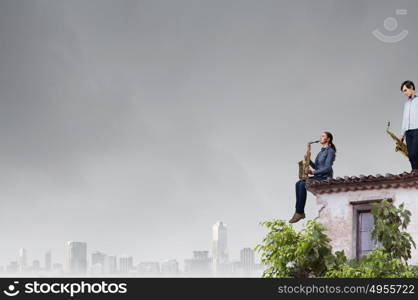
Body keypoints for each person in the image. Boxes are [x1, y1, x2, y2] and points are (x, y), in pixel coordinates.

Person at [289, 131, 336, 223]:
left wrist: (312, 172)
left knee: (302, 184)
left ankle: (299, 212)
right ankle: (299, 211)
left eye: (323, 136)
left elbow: (327, 168)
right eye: (321, 136)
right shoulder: (320, 152)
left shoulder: (330, 151)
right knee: (298, 183)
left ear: (328, 139)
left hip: (325, 177)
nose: (320, 138)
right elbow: (317, 167)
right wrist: (308, 160)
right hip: (318, 176)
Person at [399, 80, 418, 171]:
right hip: (408, 132)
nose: (404, 93)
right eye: (403, 91)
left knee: (415, 152)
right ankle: (414, 173)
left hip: (417, 130)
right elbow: (405, 119)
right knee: (410, 155)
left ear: (411, 87)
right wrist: (402, 134)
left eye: (405, 90)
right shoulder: (406, 104)